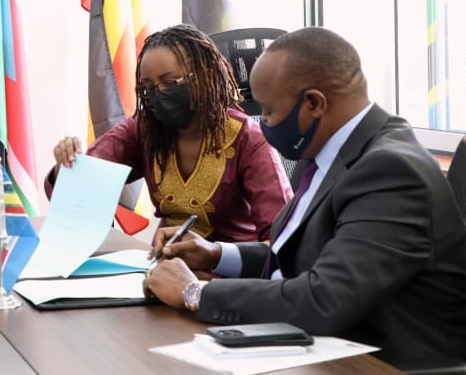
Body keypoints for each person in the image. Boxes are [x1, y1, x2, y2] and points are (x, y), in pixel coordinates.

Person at [145, 26, 466, 375]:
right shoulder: (337, 150)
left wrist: (196, 293)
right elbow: (314, 251)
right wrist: (217, 254)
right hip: (331, 354)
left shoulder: (390, 169)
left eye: (269, 110)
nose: (263, 123)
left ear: (315, 104)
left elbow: (325, 298)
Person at [48, 24, 292, 243]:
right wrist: (68, 164)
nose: (158, 93)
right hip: (162, 270)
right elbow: (87, 179)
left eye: (169, 83)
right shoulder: (145, 128)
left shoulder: (249, 138)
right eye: (148, 88)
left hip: (227, 281)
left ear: (205, 76)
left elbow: (282, 240)